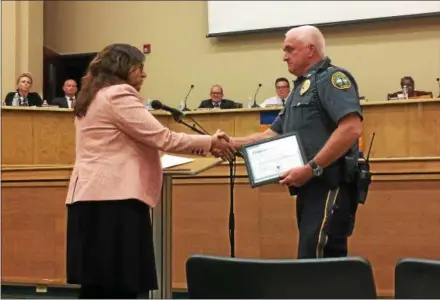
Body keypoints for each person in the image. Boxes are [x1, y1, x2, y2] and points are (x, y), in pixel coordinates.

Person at [66, 43, 235, 299]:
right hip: (115, 202)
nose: (143, 75)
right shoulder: (118, 94)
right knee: (120, 289)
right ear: (124, 68)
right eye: (139, 68)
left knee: (97, 288)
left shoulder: (93, 95)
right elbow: (163, 138)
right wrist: (210, 142)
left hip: (89, 200)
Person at [216, 25, 363, 259]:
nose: (284, 56)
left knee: (316, 259)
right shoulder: (299, 90)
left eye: (289, 50)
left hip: (330, 183)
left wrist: (312, 167)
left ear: (310, 50)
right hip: (309, 186)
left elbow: (351, 128)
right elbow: (270, 135)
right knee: (316, 259)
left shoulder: (332, 79)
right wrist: (230, 142)